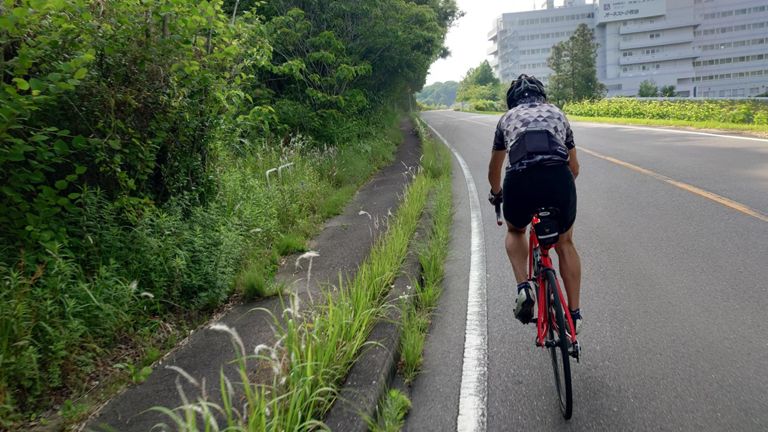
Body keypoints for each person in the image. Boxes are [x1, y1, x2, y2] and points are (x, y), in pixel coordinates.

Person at [487, 74, 583, 333]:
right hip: (557, 178)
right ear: (542, 95)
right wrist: (561, 186)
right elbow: (574, 167)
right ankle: (574, 316)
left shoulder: (507, 119)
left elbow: (494, 170)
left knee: (516, 230)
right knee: (565, 243)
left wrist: (496, 194)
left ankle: (523, 288)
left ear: (512, 100)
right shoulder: (557, 113)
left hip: (520, 180)